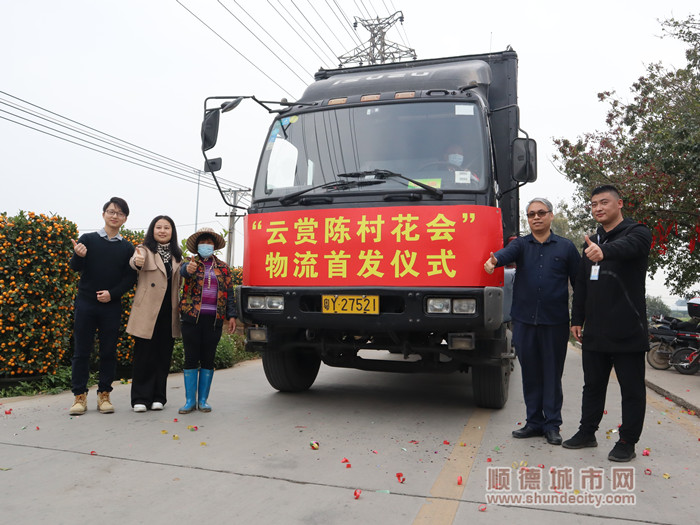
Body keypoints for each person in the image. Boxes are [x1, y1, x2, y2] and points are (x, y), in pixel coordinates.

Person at [562, 185, 652, 462]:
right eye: (593, 205)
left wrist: (604, 251)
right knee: (593, 385)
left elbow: (628, 248)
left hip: (628, 329)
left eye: (604, 202)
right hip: (596, 330)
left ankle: (627, 441)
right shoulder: (591, 243)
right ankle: (587, 432)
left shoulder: (638, 232)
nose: (598, 208)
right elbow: (582, 286)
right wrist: (577, 319)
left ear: (619, 204)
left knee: (632, 389)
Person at [484, 198, 580, 445]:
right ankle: (533, 422)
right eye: (531, 214)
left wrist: (579, 319)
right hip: (524, 322)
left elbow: (581, 285)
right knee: (531, 374)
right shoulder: (522, 245)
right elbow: (506, 254)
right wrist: (494, 260)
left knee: (551, 375)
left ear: (550, 216)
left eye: (540, 213)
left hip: (555, 323)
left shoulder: (566, 247)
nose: (536, 217)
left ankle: (552, 425)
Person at [69, 197, 136, 415]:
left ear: (125, 218)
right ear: (103, 214)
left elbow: (129, 278)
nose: (114, 215)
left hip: (111, 306)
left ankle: (104, 395)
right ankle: (79, 397)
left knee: (108, 352)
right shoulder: (87, 239)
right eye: (111, 211)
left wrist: (112, 294)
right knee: (81, 351)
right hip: (86, 303)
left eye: (119, 213)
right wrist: (78, 256)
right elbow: (74, 268)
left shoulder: (127, 248)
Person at [126, 216, 183, 412]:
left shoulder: (177, 255)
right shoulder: (143, 250)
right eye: (158, 227)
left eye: (167, 227)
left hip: (169, 311)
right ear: (152, 230)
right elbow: (135, 262)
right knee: (144, 355)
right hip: (148, 311)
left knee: (163, 355)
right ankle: (140, 398)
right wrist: (137, 261)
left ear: (172, 232)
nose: (162, 230)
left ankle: (159, 396)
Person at [178, 227, 237, 414]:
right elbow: (183, 273)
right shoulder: (189, 263)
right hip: (191, 319)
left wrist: (232, 315)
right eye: (203, 242)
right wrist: (188, 269)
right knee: (190, 358)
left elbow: (229, 292)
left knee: (208, 358)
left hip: (214, 320)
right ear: (197, 246)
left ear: (214, 246)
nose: (206, 245)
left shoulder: (223, 267)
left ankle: (203, 400)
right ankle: (189, 401)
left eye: (209, 242)